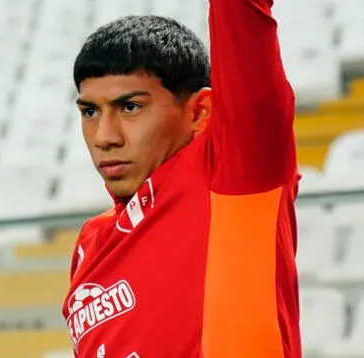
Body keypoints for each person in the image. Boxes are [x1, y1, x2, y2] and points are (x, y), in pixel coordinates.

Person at [62, 0, 301, 356]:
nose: (104, 137)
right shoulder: (90, 242)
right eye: (90, 111)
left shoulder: (233, 176)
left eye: (130, 107)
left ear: (200, 112)